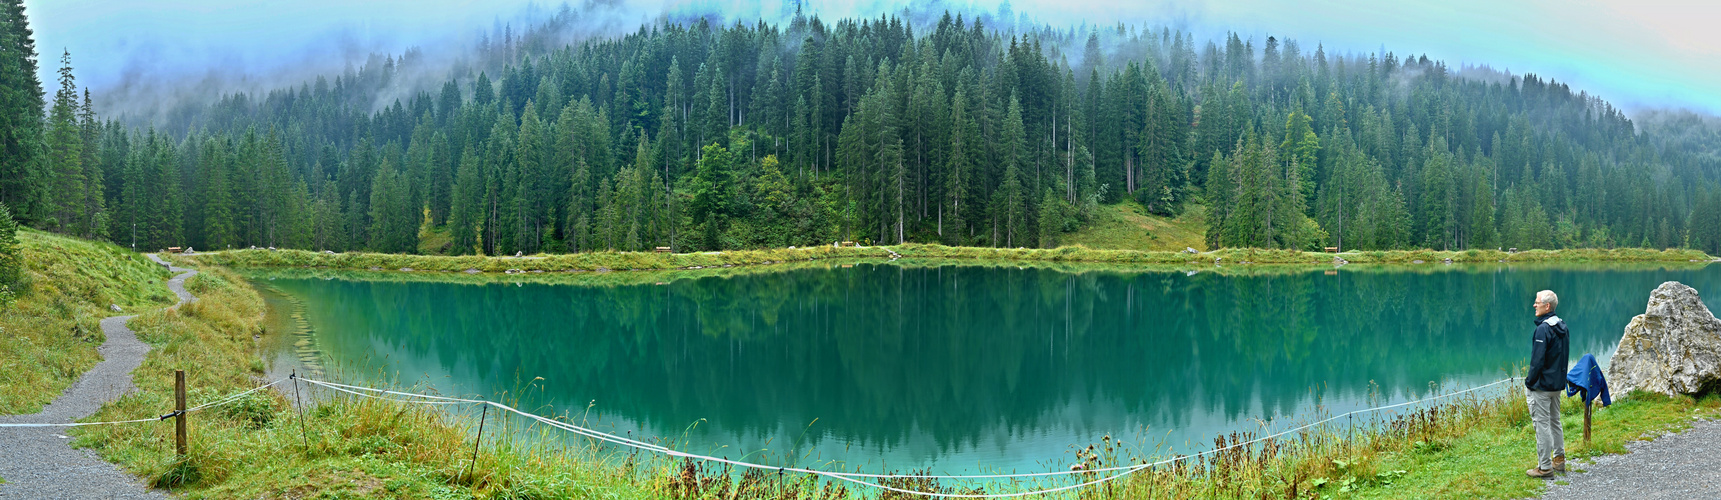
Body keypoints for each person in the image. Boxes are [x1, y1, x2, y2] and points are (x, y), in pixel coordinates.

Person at [1524, 289, 1569, 478]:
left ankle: (1544, 467)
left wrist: (1529, 382)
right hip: (1556, 386)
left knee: (1541, 424)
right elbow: (1564, 357)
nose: (1534, 305)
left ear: (1547, 306)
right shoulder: (1562, 326)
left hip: (1541, 387)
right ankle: (1559, 460)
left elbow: (1537, 361)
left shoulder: (1543, 329)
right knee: (1555, 422)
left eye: (1537, 302)